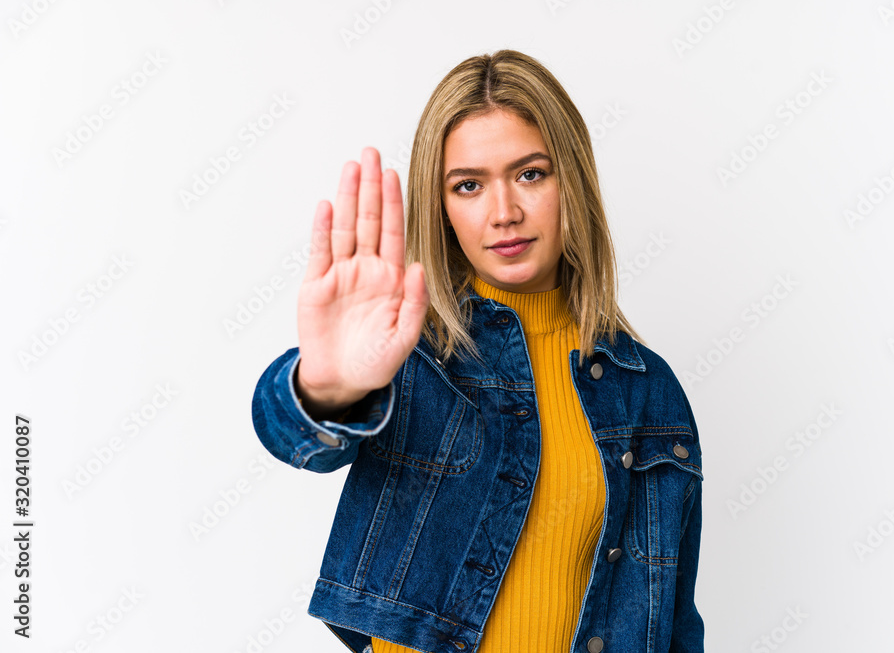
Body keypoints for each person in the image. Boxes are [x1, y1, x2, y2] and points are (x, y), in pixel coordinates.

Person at [251, 49, 705, 653]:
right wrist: (327, 388)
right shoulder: (412, 356)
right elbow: (294, 438)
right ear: (441, 207)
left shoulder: (649, 391)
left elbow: (672, 623)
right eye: (468, 185)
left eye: (530, 174)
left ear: (572, 180)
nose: (504, 213)